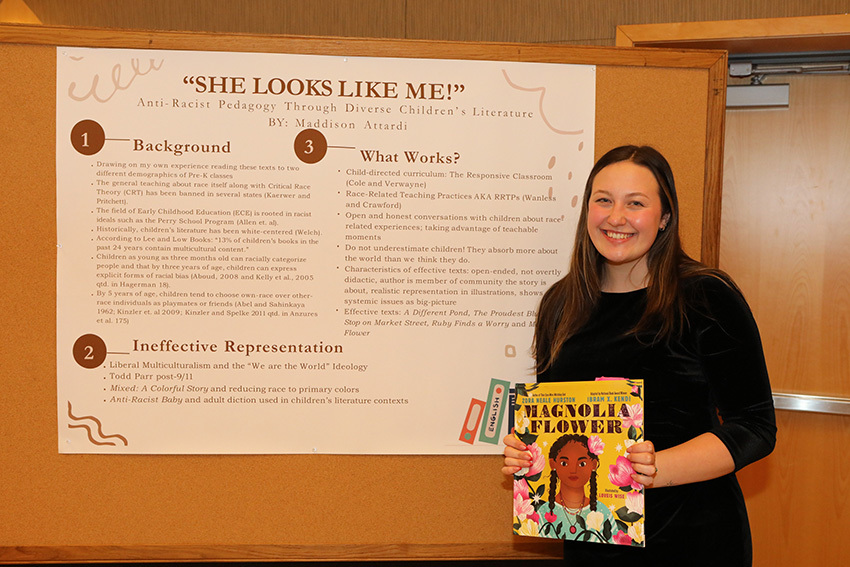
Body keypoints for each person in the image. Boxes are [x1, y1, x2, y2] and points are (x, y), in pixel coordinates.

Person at [502, 145, 776, 566]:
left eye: (635, 203)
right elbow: (557, 422)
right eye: (603, 200)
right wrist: (530, 452)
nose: (616, 217)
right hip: (591, 539)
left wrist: (654, 469)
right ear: (587, 210)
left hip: (693, 538)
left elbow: (755, 427)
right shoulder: (561, 304)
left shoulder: (706, 296)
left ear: (664, 217)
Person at [544, 434, 615, 543]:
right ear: (553, 464)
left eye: (582, 464)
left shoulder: (603, 513)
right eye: (564, 463)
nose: (573, 470)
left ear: (593, 465)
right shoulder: (542, 513)